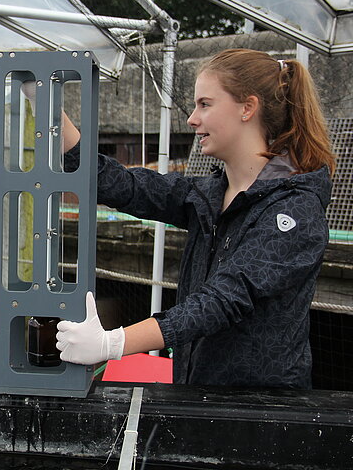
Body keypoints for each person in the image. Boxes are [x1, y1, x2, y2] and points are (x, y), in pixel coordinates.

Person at [53, 48, 335, 388]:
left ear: (248, 107)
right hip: (198, 394)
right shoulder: (211, 194)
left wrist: (113, 343)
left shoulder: (294, 209)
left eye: (205, 104)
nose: (191, 118)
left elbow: (222, 300)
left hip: (259, 412)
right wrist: (48, 103)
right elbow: (125, 185)